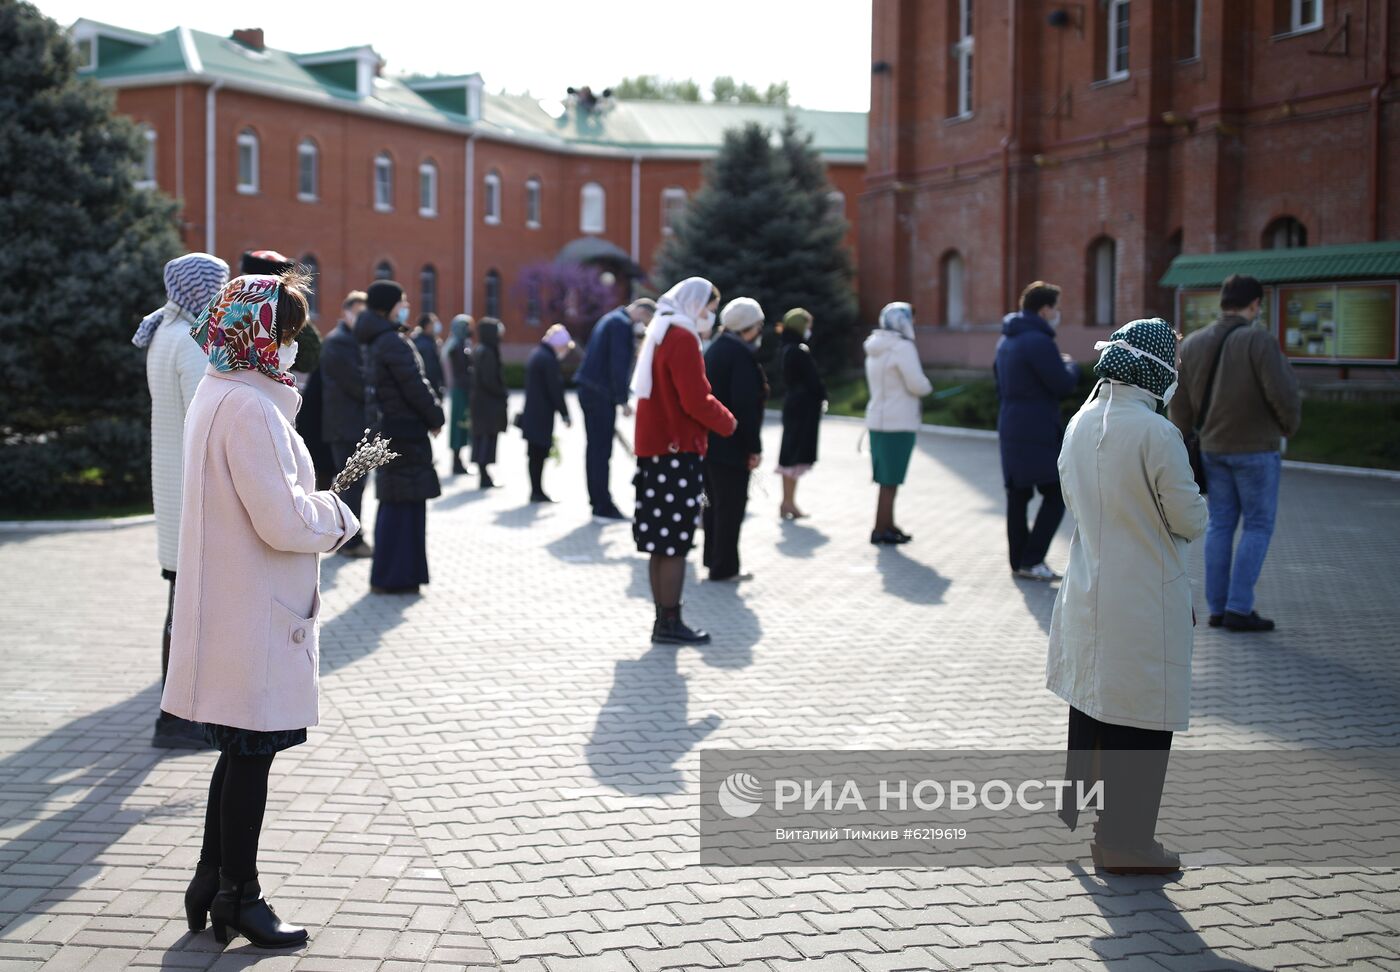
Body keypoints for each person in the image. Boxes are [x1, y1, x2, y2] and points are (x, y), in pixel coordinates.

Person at [162, 269, 359, 948]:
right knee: (252, 752)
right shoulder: (249, 408)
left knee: (240, 748)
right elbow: (280, 519)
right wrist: (338, 513)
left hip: (238, 601)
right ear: (259, 334)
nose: (291, 348)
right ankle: (240, 897)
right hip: (252, 609)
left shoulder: (226, 390)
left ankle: (211, 878)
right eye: (285, 334)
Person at [1047, 317, 1207, 875]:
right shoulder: (1156, 432)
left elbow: (1072, 495)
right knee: (1140, 717)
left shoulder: (1081, 421)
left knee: (1098, 709)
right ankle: (1127, 842)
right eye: (1177, 364)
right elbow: (1188, 516)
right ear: (1156, 366)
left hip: (1090, 586)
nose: (1179, 375)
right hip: (1144, 593)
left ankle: (1103, 829)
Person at [134, 251, 229, 750]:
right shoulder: (193, 343)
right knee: (188, 609)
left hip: (173, 488)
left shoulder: (164, 332)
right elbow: (208, 421)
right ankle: (176, 719)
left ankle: (178, 714)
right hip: (192, 492)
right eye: (220, 285)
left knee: (181, 603)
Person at [1170, 274, 1301, 632]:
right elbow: (1283, 393)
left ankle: (1217, 608)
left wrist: (1184, 442)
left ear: (1223, 302)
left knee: (1220, 525)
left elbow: (1179, 405)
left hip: (1212, 450)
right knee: (1258, 525)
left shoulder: (1194, 344)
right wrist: (1289, 426)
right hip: (1257, 450)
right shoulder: (1258, 340)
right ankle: (1239, 608)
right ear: (1255, 304)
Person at [632, 277, 737, 644]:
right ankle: (670, 623)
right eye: (709, 306)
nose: (711, 315)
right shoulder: (682, 336)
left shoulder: (662, 331)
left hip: (656, 451)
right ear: (695, 305)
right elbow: (695, 399)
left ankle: (664, 620)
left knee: (661, 543)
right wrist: (728, 422)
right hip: (677, 451)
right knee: (675, 543)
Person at [354, 281, 445, 595]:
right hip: (405, 432)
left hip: (389, 430)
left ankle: (391, 574)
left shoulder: (373, 339)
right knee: (405, 505)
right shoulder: (392, 341)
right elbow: (415, 385)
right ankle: (398, 576)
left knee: (394, 501)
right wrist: (435, 416)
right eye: (402, 301)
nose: (406, 306)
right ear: (389, 306)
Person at [994, 281, 1081, 581]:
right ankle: (1032, 559)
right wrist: (1071, 367)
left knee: (1017, 495)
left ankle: (1020, 561)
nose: (1058, 313)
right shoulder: (1039, 341)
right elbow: (1062, 384)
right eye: (1056, 307)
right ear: (1045, 310)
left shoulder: (1006, 340)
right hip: (1037, 428)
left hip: (1011, 423)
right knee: (1056, 492)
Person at [702, 298, 767, 582]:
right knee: (730, 506)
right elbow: (745, 406)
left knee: (714, 504)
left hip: (710, 441)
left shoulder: (716, 348)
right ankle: (725, 567)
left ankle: (712, 557)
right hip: (731, 443)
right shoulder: (740, 355)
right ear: (749, 328)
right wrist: (753, 447)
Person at [576, 299, 656, 521]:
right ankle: (602, 505)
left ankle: (598, 501)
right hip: (600, 393)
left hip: (590, 389)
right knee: (601, 451)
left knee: (595, 449)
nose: (644, 327)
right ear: (641, 312)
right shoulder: (621, 325)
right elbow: (618, 364)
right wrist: (622, 400)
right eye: (646, 321)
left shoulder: (611, 318)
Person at [863, 302, 932, 545]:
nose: (913, 324)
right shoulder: (903, 347)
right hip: (899, 421)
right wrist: (927, 386)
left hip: (878, 419)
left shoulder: (875, 346)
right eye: (911, 318)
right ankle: (881, 529)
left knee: (885, 478)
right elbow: (916, 384)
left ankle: (887, 525)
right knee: (890, 480)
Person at [319, 291, 371, 556]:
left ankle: (350, 536)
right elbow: (357, 384)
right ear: (346, 313)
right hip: (345, 426)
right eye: (358, 314)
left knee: (356, 485)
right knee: (351, 485)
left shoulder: (354, 341)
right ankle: (350, 540)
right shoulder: (338, 343)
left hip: (354, 426)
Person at [775, 308, 827, 520]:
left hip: (793, 406)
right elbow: (812, 381)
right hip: (802, 408)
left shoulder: (787, 347)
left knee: (790, 455)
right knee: (793, 456)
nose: (809, 330)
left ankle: (788, 502)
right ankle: (788, 502)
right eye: (807, 325)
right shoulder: (797, 350)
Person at [522, 324, 574, 502]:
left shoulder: (538, 354)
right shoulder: (548, 359)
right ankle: (537, 491)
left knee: (535, 454)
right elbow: (555, 390)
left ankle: (536, 490)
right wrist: (565, 414)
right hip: (541, 415)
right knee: (538, 454)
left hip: (534, 412)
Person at [470, 318, 509, 487]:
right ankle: (484, 474)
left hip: (481, 402)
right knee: (486, 437)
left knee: (481, 437)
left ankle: (484, 472)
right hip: (488, 403)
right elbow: (489, 379)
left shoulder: (482, 349)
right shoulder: (487, 351)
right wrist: (502, 393)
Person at [442, 314, 474, 475]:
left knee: (462, 425)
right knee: (459, 425)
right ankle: (456, 461)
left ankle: (458, 459)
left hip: (462, 389)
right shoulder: (456, 346)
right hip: (460, 390)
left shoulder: (461, 344)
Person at [412, 312, 447, 399]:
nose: (437, 325)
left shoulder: (430, 341)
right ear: (427, 325)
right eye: (434, 322)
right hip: (429, 389)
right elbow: (431, 370)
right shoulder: (425, 345)